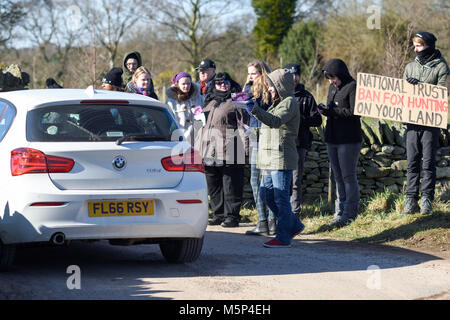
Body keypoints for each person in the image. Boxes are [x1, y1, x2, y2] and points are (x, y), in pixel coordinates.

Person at [246, 68, 305, 248]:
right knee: (266, 194)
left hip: (280, 156)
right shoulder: (277, 102)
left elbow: (275, 121)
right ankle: (293, 224)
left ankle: (283, 236)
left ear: (281, 85)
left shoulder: (288, 103)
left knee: (280, 197)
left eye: (272, 86)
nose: (269, 89)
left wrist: (255, 110)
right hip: (270, 157)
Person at [402, 31, 449, 214]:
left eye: (419, 45)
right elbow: (401, 93)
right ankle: (410, 199)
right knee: (412, 161)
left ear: (429, 45)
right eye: (414, 45)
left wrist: (420, 87)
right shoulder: (409, 67)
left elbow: (442, 93)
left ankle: (426, 199)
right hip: (412, 122)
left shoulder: (441, 67)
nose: (415, 49)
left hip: (430, 122)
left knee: (428, 162)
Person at [196, 72, 249, 228]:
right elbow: (201, 126)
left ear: (231, 83)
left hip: (231, 148)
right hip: (209, 149)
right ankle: (218, 214)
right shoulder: (210, 101)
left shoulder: (239, 99)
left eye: (226, 82)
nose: (223, 85)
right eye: (219, 83)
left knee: (231, 184)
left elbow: (244, 125)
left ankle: (232, 216)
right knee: (213, 184)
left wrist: (247, 147)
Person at [319, 58, 362, 228]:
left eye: (333, 78)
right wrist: (325, 111)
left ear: (341, 74)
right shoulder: (332, 88)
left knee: (348, 176)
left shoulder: (353, 86)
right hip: (333, 138)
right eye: (329, 79)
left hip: (348, 139)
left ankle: (350, 212)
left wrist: (332, 111)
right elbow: (334, 110)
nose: (331, 81)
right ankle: (339, 212)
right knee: (337, 177)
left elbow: (355, 112)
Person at [242, 60, 277, 236]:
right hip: (254, 135)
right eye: (249, 73)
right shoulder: (249, 88)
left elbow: (265, 111)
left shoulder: (269, 89)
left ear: (262, 73)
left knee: (264, 180)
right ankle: (264, 221)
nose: (250, 76)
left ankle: (269, 221)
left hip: (266, 135)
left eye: (253, 73)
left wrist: (249, 102)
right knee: (256, 180)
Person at [283, 63, 322, 218]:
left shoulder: (307, 97)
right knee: (282, 180)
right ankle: (282, 211)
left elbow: (317, 120)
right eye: (290, 74)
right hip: (282, 143)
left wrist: (300, 119)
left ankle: (295, 212)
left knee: (295, 179)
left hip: (299, 143)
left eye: (296, 74)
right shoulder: (280, 95)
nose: (293, 77)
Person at [165, 71, 204, 145]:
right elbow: (168, 122)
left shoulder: (198, 97)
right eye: (183, 84)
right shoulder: (171, 101)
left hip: (197, 138)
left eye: (188, 83)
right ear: (177, 84)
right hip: (180, 139)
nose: (186, 86)